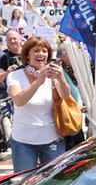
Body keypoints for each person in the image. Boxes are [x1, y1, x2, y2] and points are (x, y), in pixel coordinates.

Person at [6, 37, 71, 172]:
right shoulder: (15, 76)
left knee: (54, 183)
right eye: (36, 50)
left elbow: (65, 96)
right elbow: (19, 101)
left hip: (52, 139)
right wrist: (38, 82)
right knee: (24, 184)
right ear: (27, 55)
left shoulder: (53, 75)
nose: (41, 54)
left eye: (44, 51)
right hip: (23, 142)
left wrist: (61, 77)